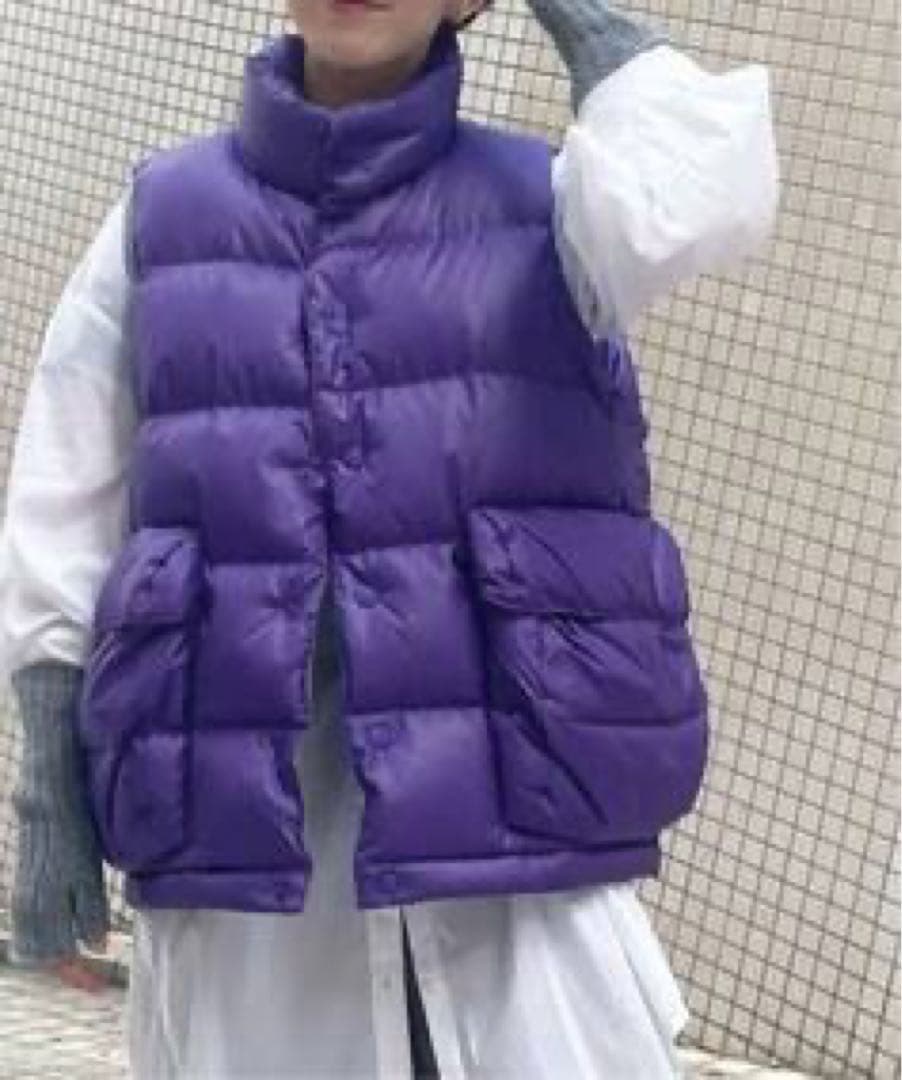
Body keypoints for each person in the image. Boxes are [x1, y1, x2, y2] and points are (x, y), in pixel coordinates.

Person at [0, 0, 778, 1076]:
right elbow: (66, 497)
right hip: (249, 870)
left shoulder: (559, 205)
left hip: (514, 867)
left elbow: (700, 200)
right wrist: (50, 780)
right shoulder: (159, 221)